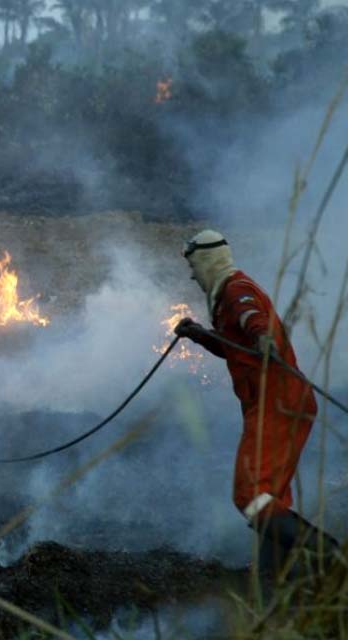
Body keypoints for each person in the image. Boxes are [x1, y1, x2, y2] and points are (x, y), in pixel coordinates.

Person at [174, 229, 339, 572]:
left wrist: (263, 336)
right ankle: (272, 572)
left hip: (277, 404)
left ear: (206, 262)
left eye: (193, 266)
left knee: (249, 494)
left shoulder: (236, 290)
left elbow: (252, 319)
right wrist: (201, 336)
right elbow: (236, 346)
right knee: (271, 496)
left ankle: (334, 556)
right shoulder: (225, 298)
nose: (192, 275)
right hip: (281, 402)